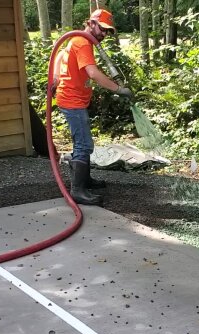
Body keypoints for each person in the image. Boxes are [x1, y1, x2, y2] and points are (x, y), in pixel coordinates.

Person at [52, 9, 133, 206]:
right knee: (84, 144)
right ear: (91, 23)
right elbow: (93, 73)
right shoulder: (82, 42)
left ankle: (84, 180)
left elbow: (60, 54)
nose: (104, 34)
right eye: (102, 29)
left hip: (73, 99)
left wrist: (55, 78)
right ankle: (78, 190)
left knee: (82, 141)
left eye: (108, 31)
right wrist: (118, 89)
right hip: (72, 101)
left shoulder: (78, 41)